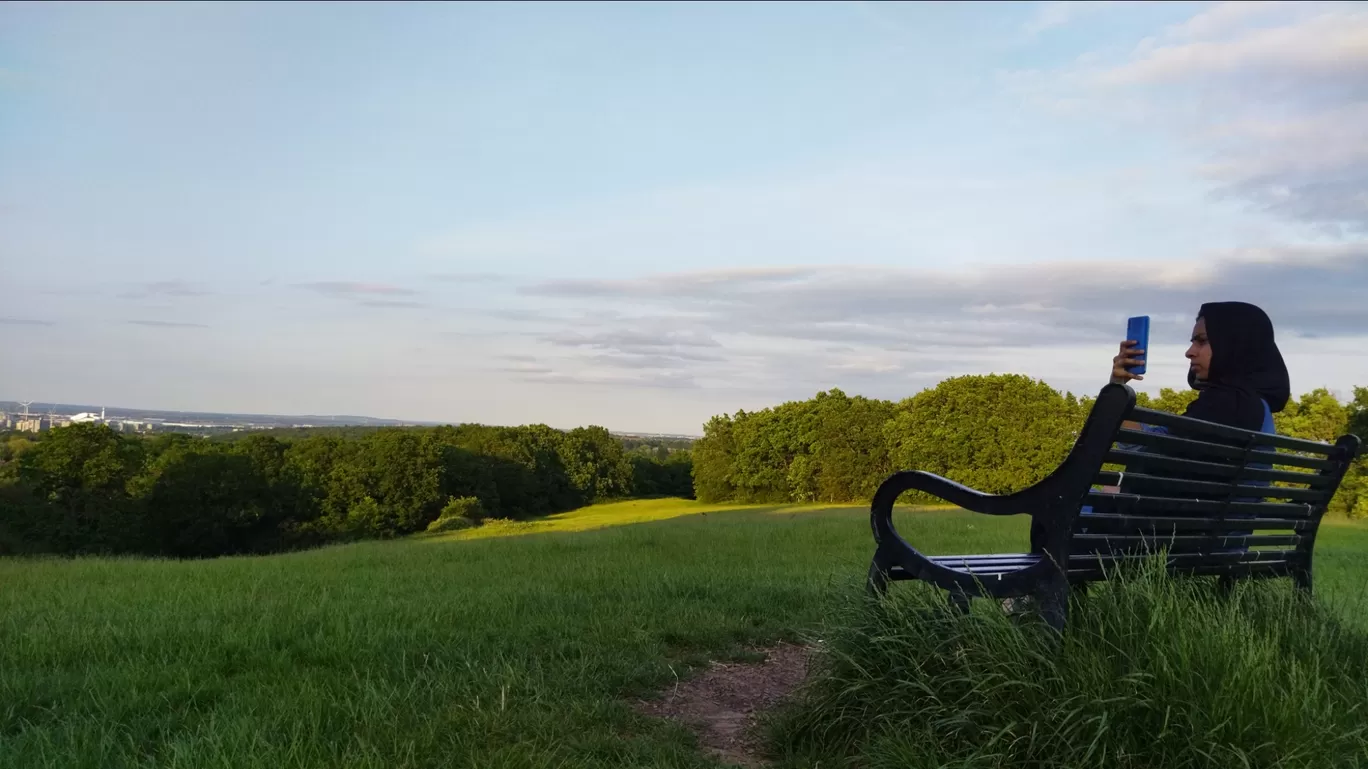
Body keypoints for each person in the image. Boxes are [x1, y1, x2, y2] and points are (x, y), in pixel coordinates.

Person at [1089, 301, 1290, 550]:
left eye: (1202, 341)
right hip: (1222, 544)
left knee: (1067, 502)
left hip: (1172, 543)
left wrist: (1116, 388)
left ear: (1234, 344)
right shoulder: (1256, 407)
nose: (1190, 352)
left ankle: (1048, 588)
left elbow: (1139, 450)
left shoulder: (1226, 404)